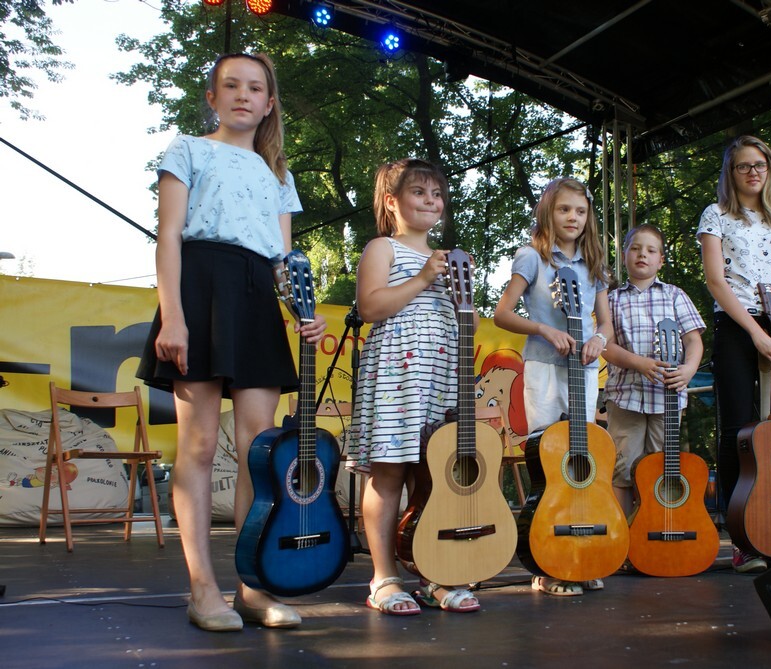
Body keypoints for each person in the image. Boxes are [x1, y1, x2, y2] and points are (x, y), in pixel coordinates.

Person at [136, 53, 327, 631]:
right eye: (230, 86)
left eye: (256, 88)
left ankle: (252, 584)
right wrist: (174, 317)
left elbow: (283, 261)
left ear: (270, 104)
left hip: (255, 301)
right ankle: (202, 589)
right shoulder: (187, 149)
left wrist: (303, 311)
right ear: (212, 97)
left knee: (259, 453)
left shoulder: (279, 177)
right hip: (198, 289)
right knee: (195, 447)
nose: (243, 95)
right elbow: (168, 236)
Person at [347, 158, 481, 615]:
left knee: (434, 475)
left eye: (437, 194)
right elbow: (369, 306)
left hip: (440, 377)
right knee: (389, 473)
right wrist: (424, 277)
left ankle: (436, 574)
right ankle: (384, 577)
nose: (431, 201)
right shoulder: (383, 248)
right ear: (392, 201)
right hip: (395, 376)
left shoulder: (449, 260)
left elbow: (467, 322)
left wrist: (466, 307)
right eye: (419, 192)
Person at [493, 176, 613, 597]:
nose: (573, 218)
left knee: (581, 460)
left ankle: (581, 553)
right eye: (564, 210)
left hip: (583, 371)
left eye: (580, 211)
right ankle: (545, 561)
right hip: (544, 367)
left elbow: (608, 324)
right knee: (548, 460)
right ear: (548, 212)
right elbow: (502, 313)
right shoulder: (532, 257)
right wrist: (544, 329)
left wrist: (600, 339)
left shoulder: (595, 262)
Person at [696, 135, 771, 574]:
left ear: (770, 169)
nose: (753, 172)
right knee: (738, 429)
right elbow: (716, 281)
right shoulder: (716, 215)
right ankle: (742, 537)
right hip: (737, 326)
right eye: (744, 165)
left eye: (760, 164)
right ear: (731, 173)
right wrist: (754, 333)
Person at [602, 224, 705, 517]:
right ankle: (624, 539)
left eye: (650, 250)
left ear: (661, 260)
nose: (642, 255)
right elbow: (605, 345)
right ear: (624, 256)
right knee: (623, 469)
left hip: (668, 401)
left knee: (664, 470)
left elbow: (693, 340)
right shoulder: (613, 300)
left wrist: (689, 369)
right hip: (626, 398)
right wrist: (639, 363)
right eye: (635, 248)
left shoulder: (675, 295)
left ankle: (659, 534)